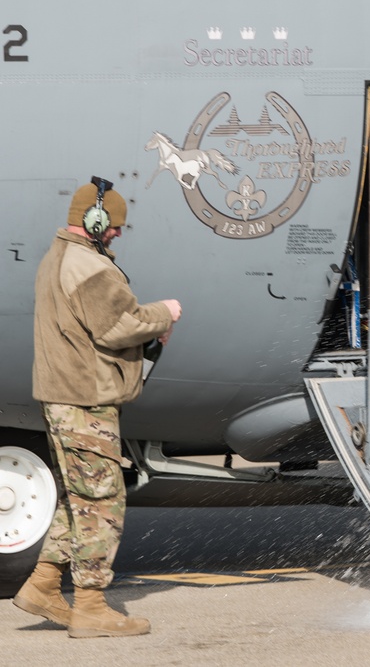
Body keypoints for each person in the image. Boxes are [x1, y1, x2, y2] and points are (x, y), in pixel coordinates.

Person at [14, 178, 182, 638]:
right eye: (116, 227)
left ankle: (44, 586)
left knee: (78, 498)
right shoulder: (89, 265)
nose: (119, 235)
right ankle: (90, 606)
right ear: (96, 221)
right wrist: (165, 312)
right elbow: (117, 325)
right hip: (84, 403)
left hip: (66, 399)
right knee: (103, 502)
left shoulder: (59, 258)